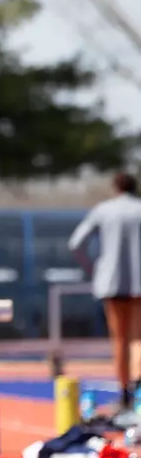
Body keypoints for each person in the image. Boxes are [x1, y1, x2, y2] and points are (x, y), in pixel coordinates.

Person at [70, 172, 141, 411]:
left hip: (112, 281)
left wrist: (95, 269)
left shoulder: (104, 210)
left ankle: (124, 394)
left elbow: (76, 243)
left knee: (119, 339)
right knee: (138, 337)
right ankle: (138, 387)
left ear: (116, 188)